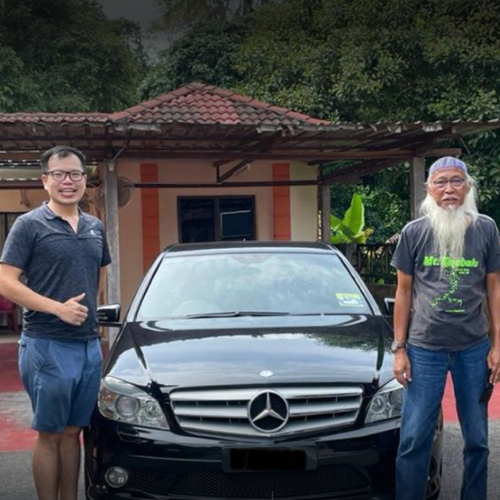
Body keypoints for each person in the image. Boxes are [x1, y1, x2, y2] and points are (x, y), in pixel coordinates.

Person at [0, 146, 111, 500]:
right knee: (50, 432)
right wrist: (56, 308)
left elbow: (97, 277)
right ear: (45, 180)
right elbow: (6, 281)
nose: (68, 181)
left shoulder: (95, 226)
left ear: (84, 180)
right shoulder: (29, 225)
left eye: (75, 174)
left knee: (73, 431)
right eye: (60, 174)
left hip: (88, 345)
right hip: (47, 344)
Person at [391, 156, 500, 500]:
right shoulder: (415, 232)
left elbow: (494, 287)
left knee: (478, 440)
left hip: (473, 348)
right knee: (414, 439)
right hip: (425, 349)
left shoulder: (486, 229)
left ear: (468, 186)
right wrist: (400, 349)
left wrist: (498, 345)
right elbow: (404, 291)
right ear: (429, 190)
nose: (449, 189)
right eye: (441, 182)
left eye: (456, 181)